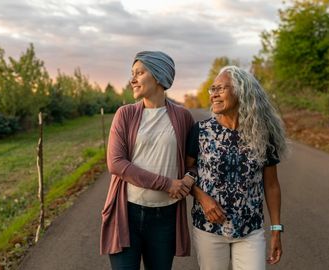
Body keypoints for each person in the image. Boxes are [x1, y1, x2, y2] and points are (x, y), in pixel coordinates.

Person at [186, 65, 288, 270]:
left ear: (241, 91)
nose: (213, 94)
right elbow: (185, 173)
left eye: (220, 89)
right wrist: (202, 198)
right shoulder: (200, 131)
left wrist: (276, 229)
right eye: (212, 89)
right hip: (209, 228)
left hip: (250, 229)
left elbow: (271, 185)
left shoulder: (262, 134)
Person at [100, 51, 195, 270]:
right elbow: (116, 163)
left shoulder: (183, 117)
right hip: (127, 214)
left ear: (160, 76)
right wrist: (167, 183)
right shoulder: (124, 114)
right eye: (131, 74)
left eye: (139, 73)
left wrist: (189, 180)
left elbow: (194, 163)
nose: (132, 79)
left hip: (166, 217)